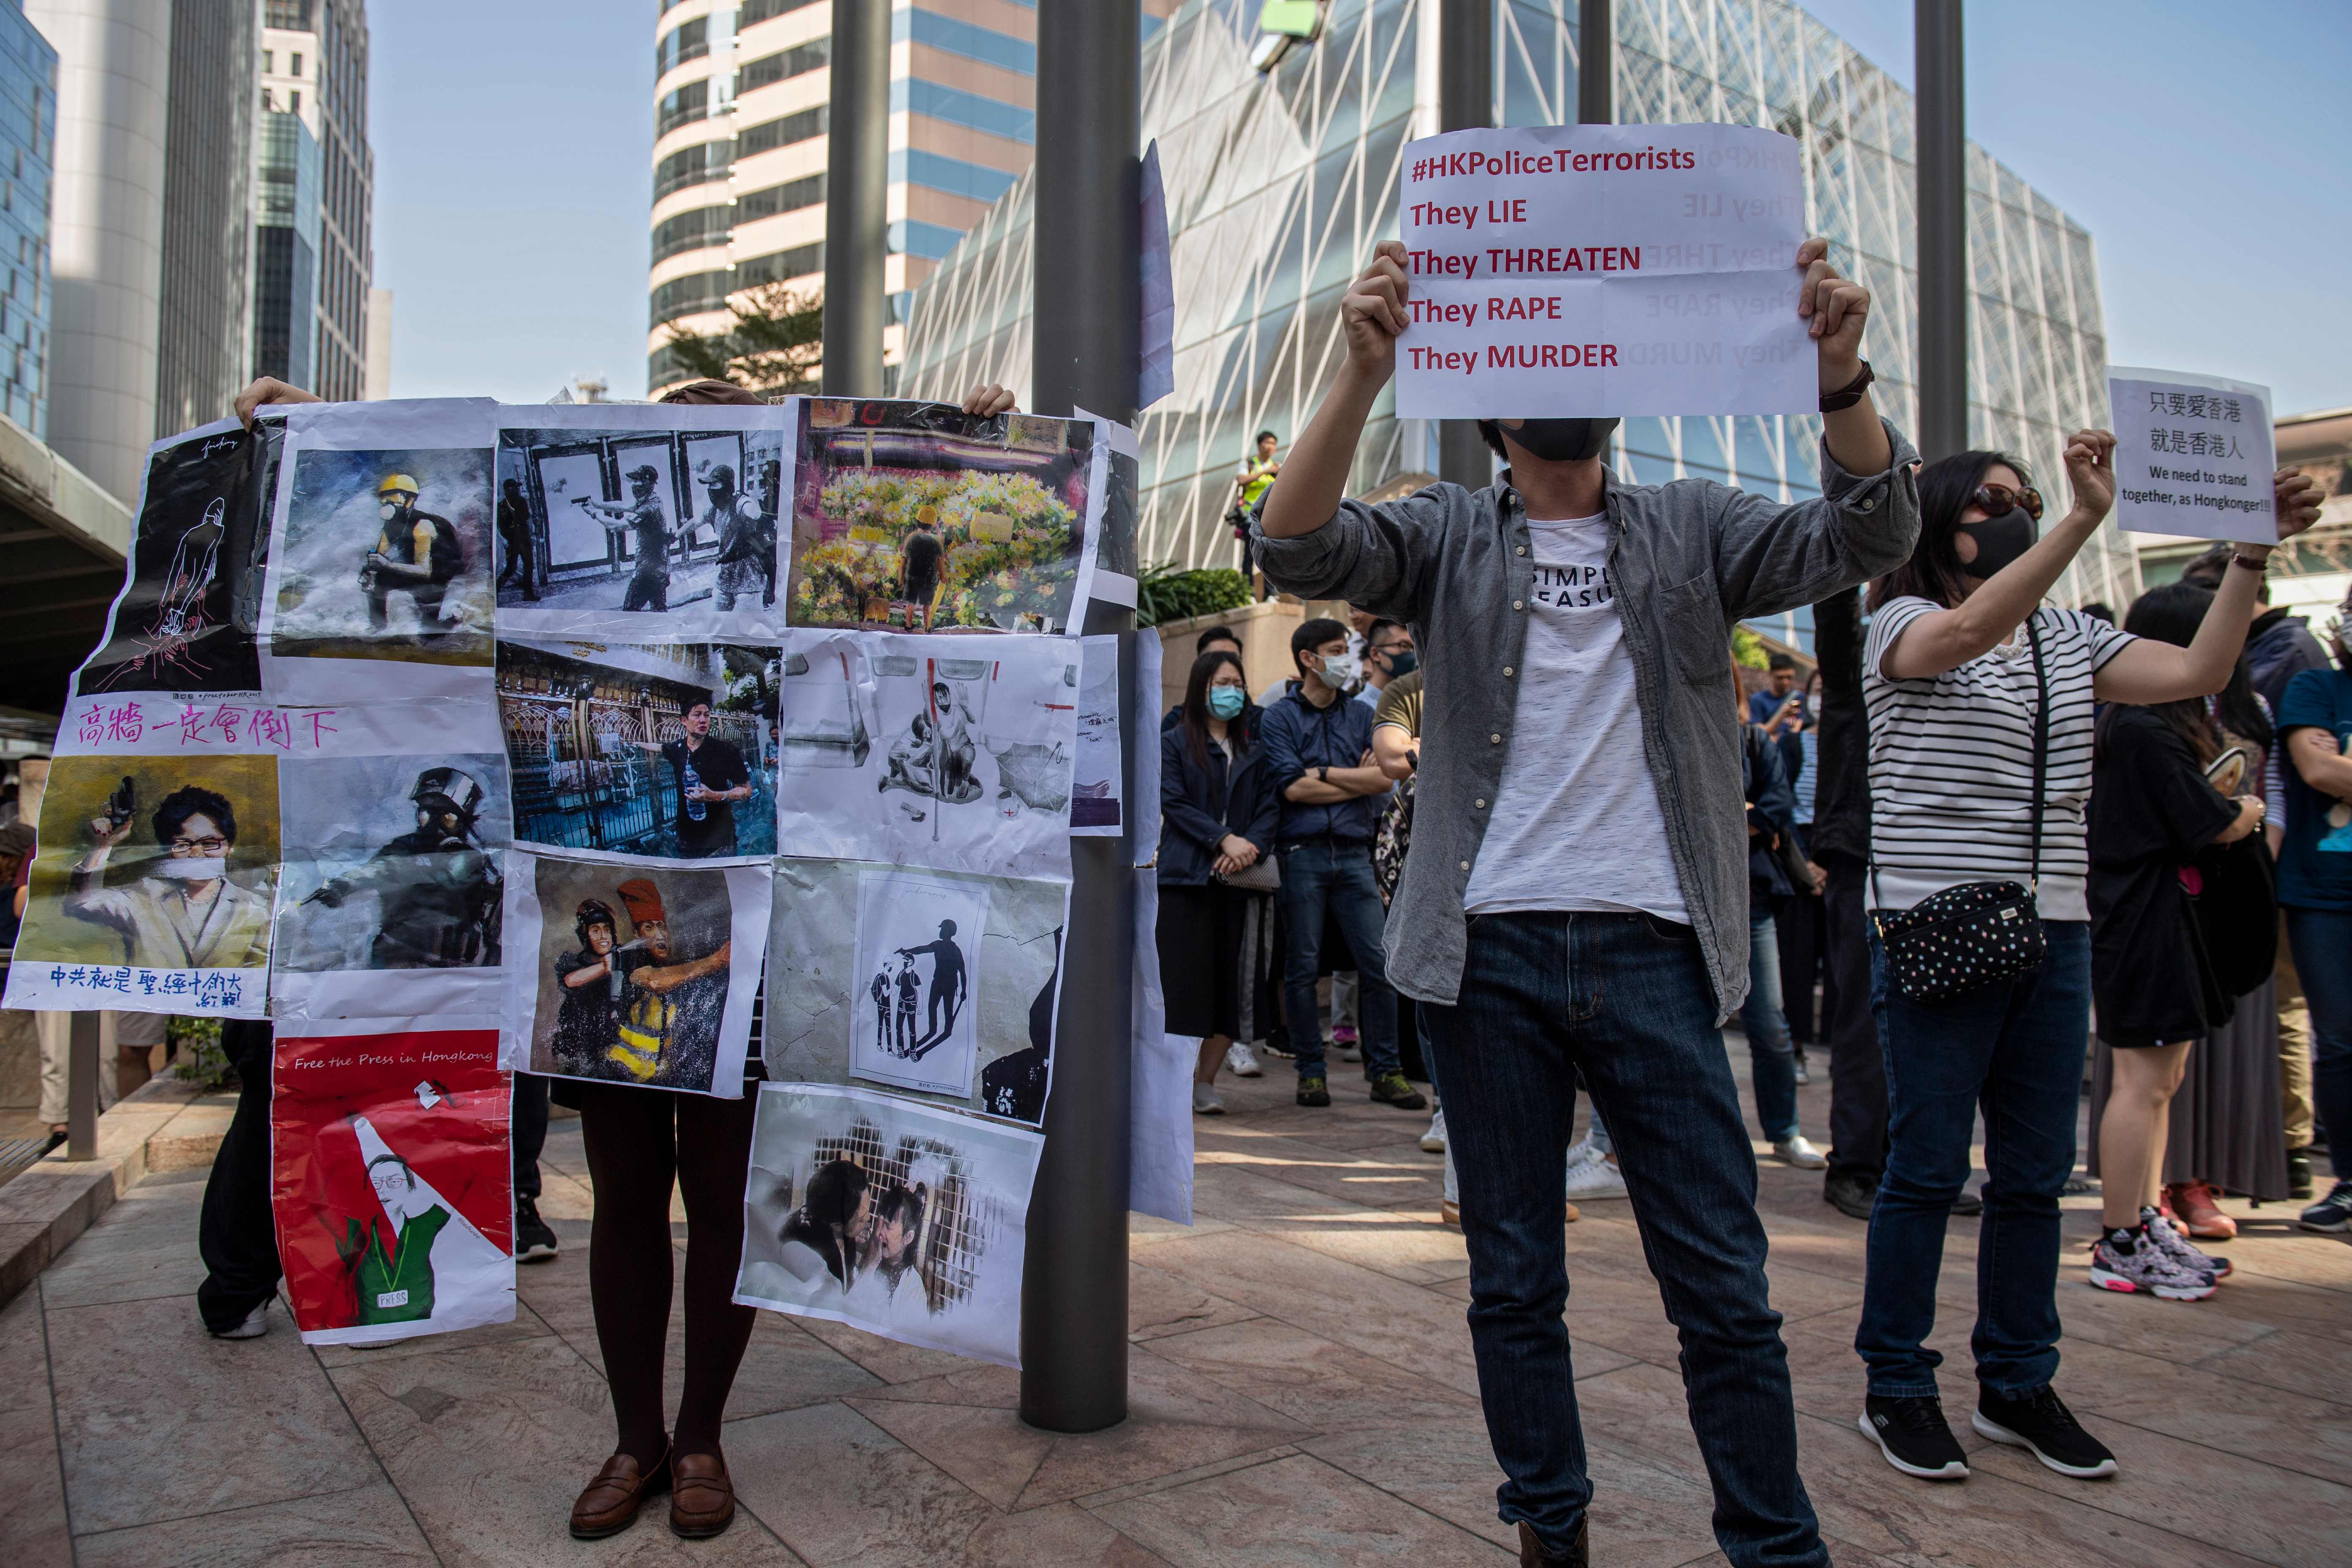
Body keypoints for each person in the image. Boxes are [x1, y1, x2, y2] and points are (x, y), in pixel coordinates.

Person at [231, 370, 1018, 1543]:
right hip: (600, 927)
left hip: (751, 952)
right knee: (627, 1203)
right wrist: (320, 422)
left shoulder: (793, 590)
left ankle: (699, 1434)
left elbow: (906, 617)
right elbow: (448, 520)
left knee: (723, 1196)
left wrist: (955, 435)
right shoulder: (568, 613)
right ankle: (633, 1437)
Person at [1255, 231, 1904, 1568]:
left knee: (1721, 1284)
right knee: (1513, 1278)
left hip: (1657, 947)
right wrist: (1358, 371)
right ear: (1490, 396)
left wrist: (1837, 380)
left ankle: (1773, 1542)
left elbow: (1868, 528)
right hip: (1482, 953)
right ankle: (1548, 1523)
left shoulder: (1695, 522)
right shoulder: (1442, 532)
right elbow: (1298, 546)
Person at [1854, 440, 2318, 1486]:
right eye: (1993, 502)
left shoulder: (2069, 636)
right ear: (1936, 520)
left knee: (2029, 1175)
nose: (2014, 513)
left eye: (2025, 500)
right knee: (1927, 1168)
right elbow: (1970, 629)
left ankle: (2017, 1380)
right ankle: (1897, 1384)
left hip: (2056, 926)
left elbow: (2197, 671)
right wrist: (2080, 519)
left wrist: (2247, 553)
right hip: (1936, 918)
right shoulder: (1897, 621)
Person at [2085, 582, 2268, 1300]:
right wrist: (2244, 808)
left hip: (2161, 918)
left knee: (2159, 1081)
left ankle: (2141, 1218)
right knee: (2140, 1082)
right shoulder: (2138, 727)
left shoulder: (2144, 724)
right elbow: (2209, 821)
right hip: (2142, 921)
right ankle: (2120, 1237)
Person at [2185, 538, 2332, 1198]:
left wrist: (2252, 854)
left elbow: (2272, 794)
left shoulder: (2262, 694)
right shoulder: (2147, 710)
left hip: (2252, 881)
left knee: (2271, 1019)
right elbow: (2308, 772)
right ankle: (2183, 1176)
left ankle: (2277, 1154)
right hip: (2192, 891)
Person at [1255, 616, 1424, 1113]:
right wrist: (1353, 777)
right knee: (1303, 967)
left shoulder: (1360, 716)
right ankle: (1311, 1071)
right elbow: (1291, 787)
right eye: (1334, 649)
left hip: (1355, 852)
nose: (1343, 657)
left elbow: (1381, 783)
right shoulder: (1280, 717)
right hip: (1301, 854)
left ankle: (1386, 1071)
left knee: (1379, 964)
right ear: (1308, 659)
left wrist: (1324, 772)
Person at [1158, 648, 1279, 1115]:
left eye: (1237, 682)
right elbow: (1174, 801)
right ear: (1200, 688)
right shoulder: (1175, 742)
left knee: (1234, 984)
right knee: (1182, 985)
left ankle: (1205, 1082)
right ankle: (1173, 1082)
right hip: (1186, 879)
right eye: (1220, 683)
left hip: (1243, 880)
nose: (1231, 691)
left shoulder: (1256, 745)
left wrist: (1250, 847)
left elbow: (1272, 805)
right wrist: (1222, 839)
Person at [1807, 590, 1892, 1222]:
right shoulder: (1856, 669)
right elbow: (1835, 611)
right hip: (1862, 856)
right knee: (1863, 1020)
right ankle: (1857, 1167)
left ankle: (1906, 1165)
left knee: (1920, 1027)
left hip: (1923, 859)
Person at [2278, 584, 2352, 1232]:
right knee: (2340, 1041)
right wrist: (2334, 766)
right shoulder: (2316, 690)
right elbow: (2321, 773)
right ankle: (2349, 1183)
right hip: (2324, 896)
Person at [1737, 663, 1828, 1171]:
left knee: (1770, 1023)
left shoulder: (1754, 741)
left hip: (1752, 900)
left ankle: (1786, 1131)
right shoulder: (1670, 740)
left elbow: (1775, 808)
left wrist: (1738, 815)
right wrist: (1742, 814)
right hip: (1682, 904)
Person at [302, 766, 503, 968]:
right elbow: (383, 868)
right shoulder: (404, 848)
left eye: (446, 818)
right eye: (426, 814)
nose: (434, 825)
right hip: (398, 960)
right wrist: (344, 884)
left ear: (462, 822)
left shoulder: (471, 859)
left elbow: (491, 909)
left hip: (453, 966)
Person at [66, 782, 272, 970]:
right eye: (183, 845)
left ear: (230, 847)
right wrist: (103, 846)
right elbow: (82, 904)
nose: (197, 854)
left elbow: (263, 973)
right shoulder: (144, 896)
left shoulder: (255, 908)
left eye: (210, 844)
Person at [634, 700, 751, 858]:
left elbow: (746, 790)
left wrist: (715, 796)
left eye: (707, 716)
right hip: (686, 836)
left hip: (719, 836)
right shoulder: (677, 749)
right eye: (697, 715)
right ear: (684, 720)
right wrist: (635, 743)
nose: (703, 720)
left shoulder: (726, 750)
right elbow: (659, 748)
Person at [362, 473, 464, 634]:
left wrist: (387, 565)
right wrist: (369, 572)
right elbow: (378, 556)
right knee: (379, 580)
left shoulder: (423, 526)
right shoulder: (390, 527)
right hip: (416, 570)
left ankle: (454, 619)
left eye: (390, 498)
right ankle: (378, 625)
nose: (385, 503)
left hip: (435, 577)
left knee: (428, 633)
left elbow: (425, 571)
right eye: (383, 498)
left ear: (408, 499)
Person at [701, 464, 774, 612]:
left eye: (715, 484)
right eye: (710, 485)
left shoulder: (740, 503)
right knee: (717, 617)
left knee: (750, 621)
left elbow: (752, 510)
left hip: (748, 571)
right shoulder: (714, 511)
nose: (712, 489)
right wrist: (677, 536)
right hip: (727, 572)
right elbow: (696, 522)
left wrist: (753, 513)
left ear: (727, 486)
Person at [894, 919, 969, 1053]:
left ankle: (937, 1038)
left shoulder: (952, 949)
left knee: (946, 1015)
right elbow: (921, 950)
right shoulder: (941, 946)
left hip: (948, 986)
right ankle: (933, 1032)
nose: (940, 931)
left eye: (942, 929)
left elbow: (962, 972)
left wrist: (964, 990)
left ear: (948, 932)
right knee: (933, 1011)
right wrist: (907, 952)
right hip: (940, 984)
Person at [897, 507, 945, 630]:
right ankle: (927, 626)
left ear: (917, 522)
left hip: (912, 575)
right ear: (933, 524)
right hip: (930, 577)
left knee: (910, 602)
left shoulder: (911, 538)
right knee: (928, 604)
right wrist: (944, 577)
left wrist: (900, 579)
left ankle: (908, 625)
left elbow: (903, 561)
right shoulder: (937, 541)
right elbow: (940, 562)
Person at [1355, 618, 1416, 708]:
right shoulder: (1359, 710)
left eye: (1414, 648)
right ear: (1375, 654)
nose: (1412, 654)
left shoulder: (1417, 703)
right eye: (1404, 646)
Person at [496, 475, 539, 599]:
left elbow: (500, 525)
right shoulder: (521, 501)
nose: (516, 490)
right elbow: (526, 519)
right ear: (511, 489)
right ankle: (528, 594)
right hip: (522, 539)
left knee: (511, 568)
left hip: (511, 541)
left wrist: (504, 539)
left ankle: (496, 591)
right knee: (528, 565)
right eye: (514, 488)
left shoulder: (502, 505)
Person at [1749, 651, 1799, 727]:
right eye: (1780, 678)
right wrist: (1782, 715)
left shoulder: (1799, 698)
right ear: (1770, 674)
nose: (1785, 682)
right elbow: (1759, 734)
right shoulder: (1758, 700)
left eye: (1789, 677)